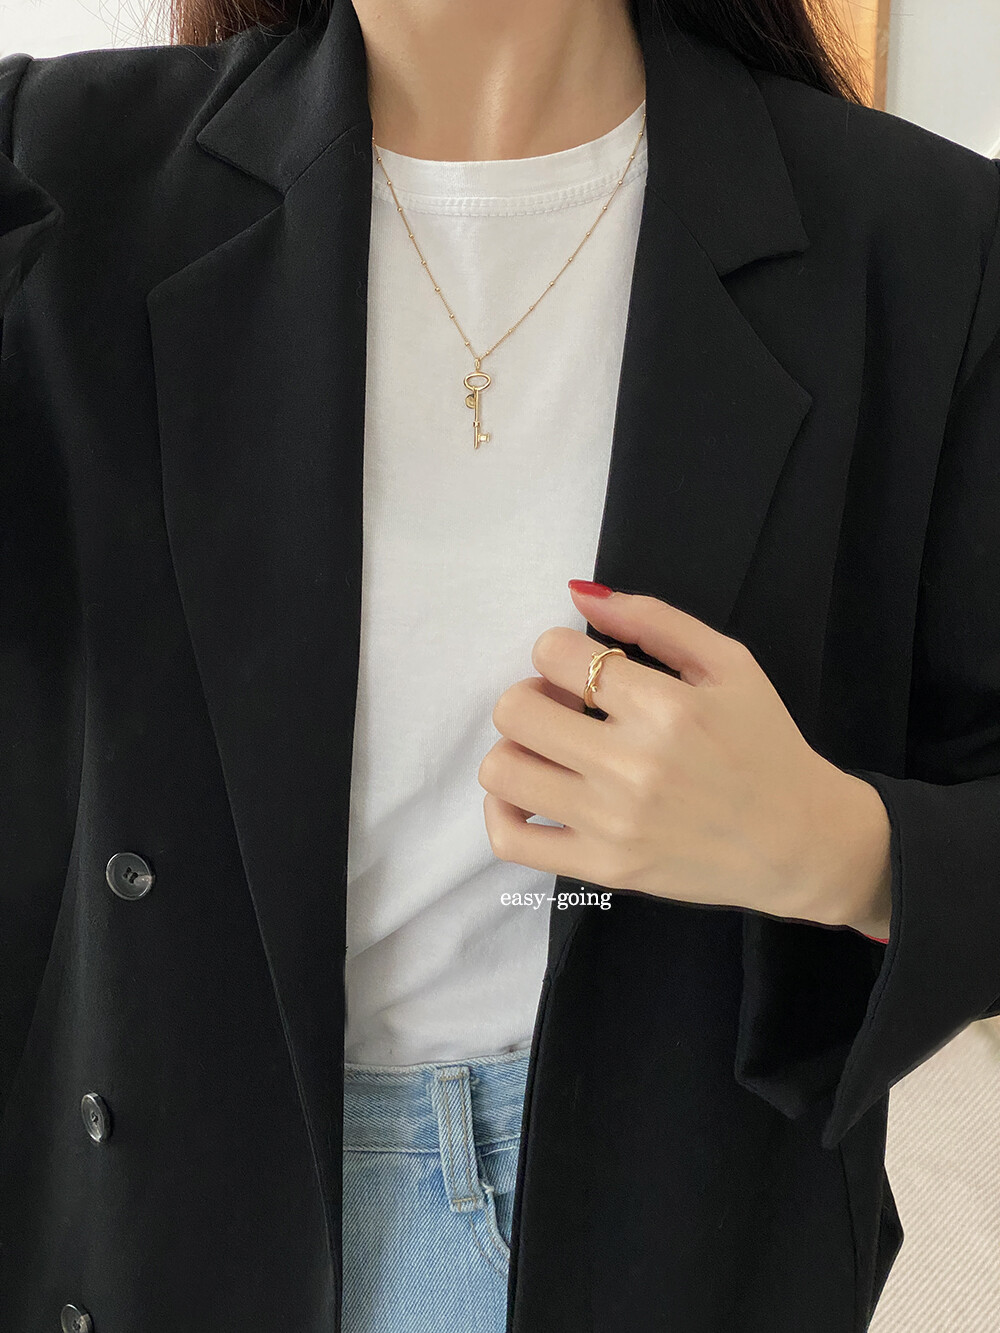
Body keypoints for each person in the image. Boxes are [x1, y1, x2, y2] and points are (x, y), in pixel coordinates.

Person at [1, 0, 998, 1329]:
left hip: (663, 1226)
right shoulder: (58, 168)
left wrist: (830, 843)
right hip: (167, 1209)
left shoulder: (926, 242)